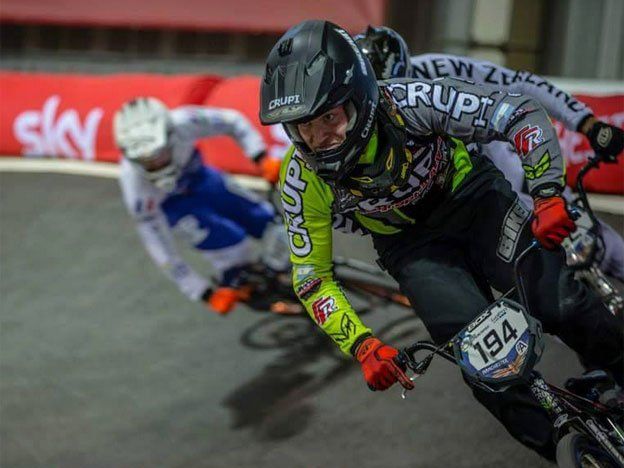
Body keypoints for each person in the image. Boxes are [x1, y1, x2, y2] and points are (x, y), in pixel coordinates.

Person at [259, 20, 624, 460]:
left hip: (476, 202)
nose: (320, 140)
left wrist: (546, 194)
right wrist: (361, 344)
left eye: (330, 118)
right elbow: (312, 279)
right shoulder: (300, 180)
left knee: (560, 303)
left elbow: (518, 112)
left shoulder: (410, 100)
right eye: (303, 128)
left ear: (361, 97)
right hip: (412, 247)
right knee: (489, 374)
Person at [354, 25, 624, 281]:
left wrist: (586, 123)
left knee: (593, 236)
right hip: (456, 203)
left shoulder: (437, 67)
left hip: (500, 168)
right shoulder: (350, 113)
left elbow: (520, 83)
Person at [114, 97, 286, 314]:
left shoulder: (184, 121)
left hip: (204, 181)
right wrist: (201, 291)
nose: (156, 165)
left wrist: (260, 157)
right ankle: (237, 278)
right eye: (145, 162)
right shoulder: (134, 186)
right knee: (232, 248)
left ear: (171, 135)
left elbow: (233, 121)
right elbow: (158, 244)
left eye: (160, 155)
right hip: (177, 206)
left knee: (268, 222)